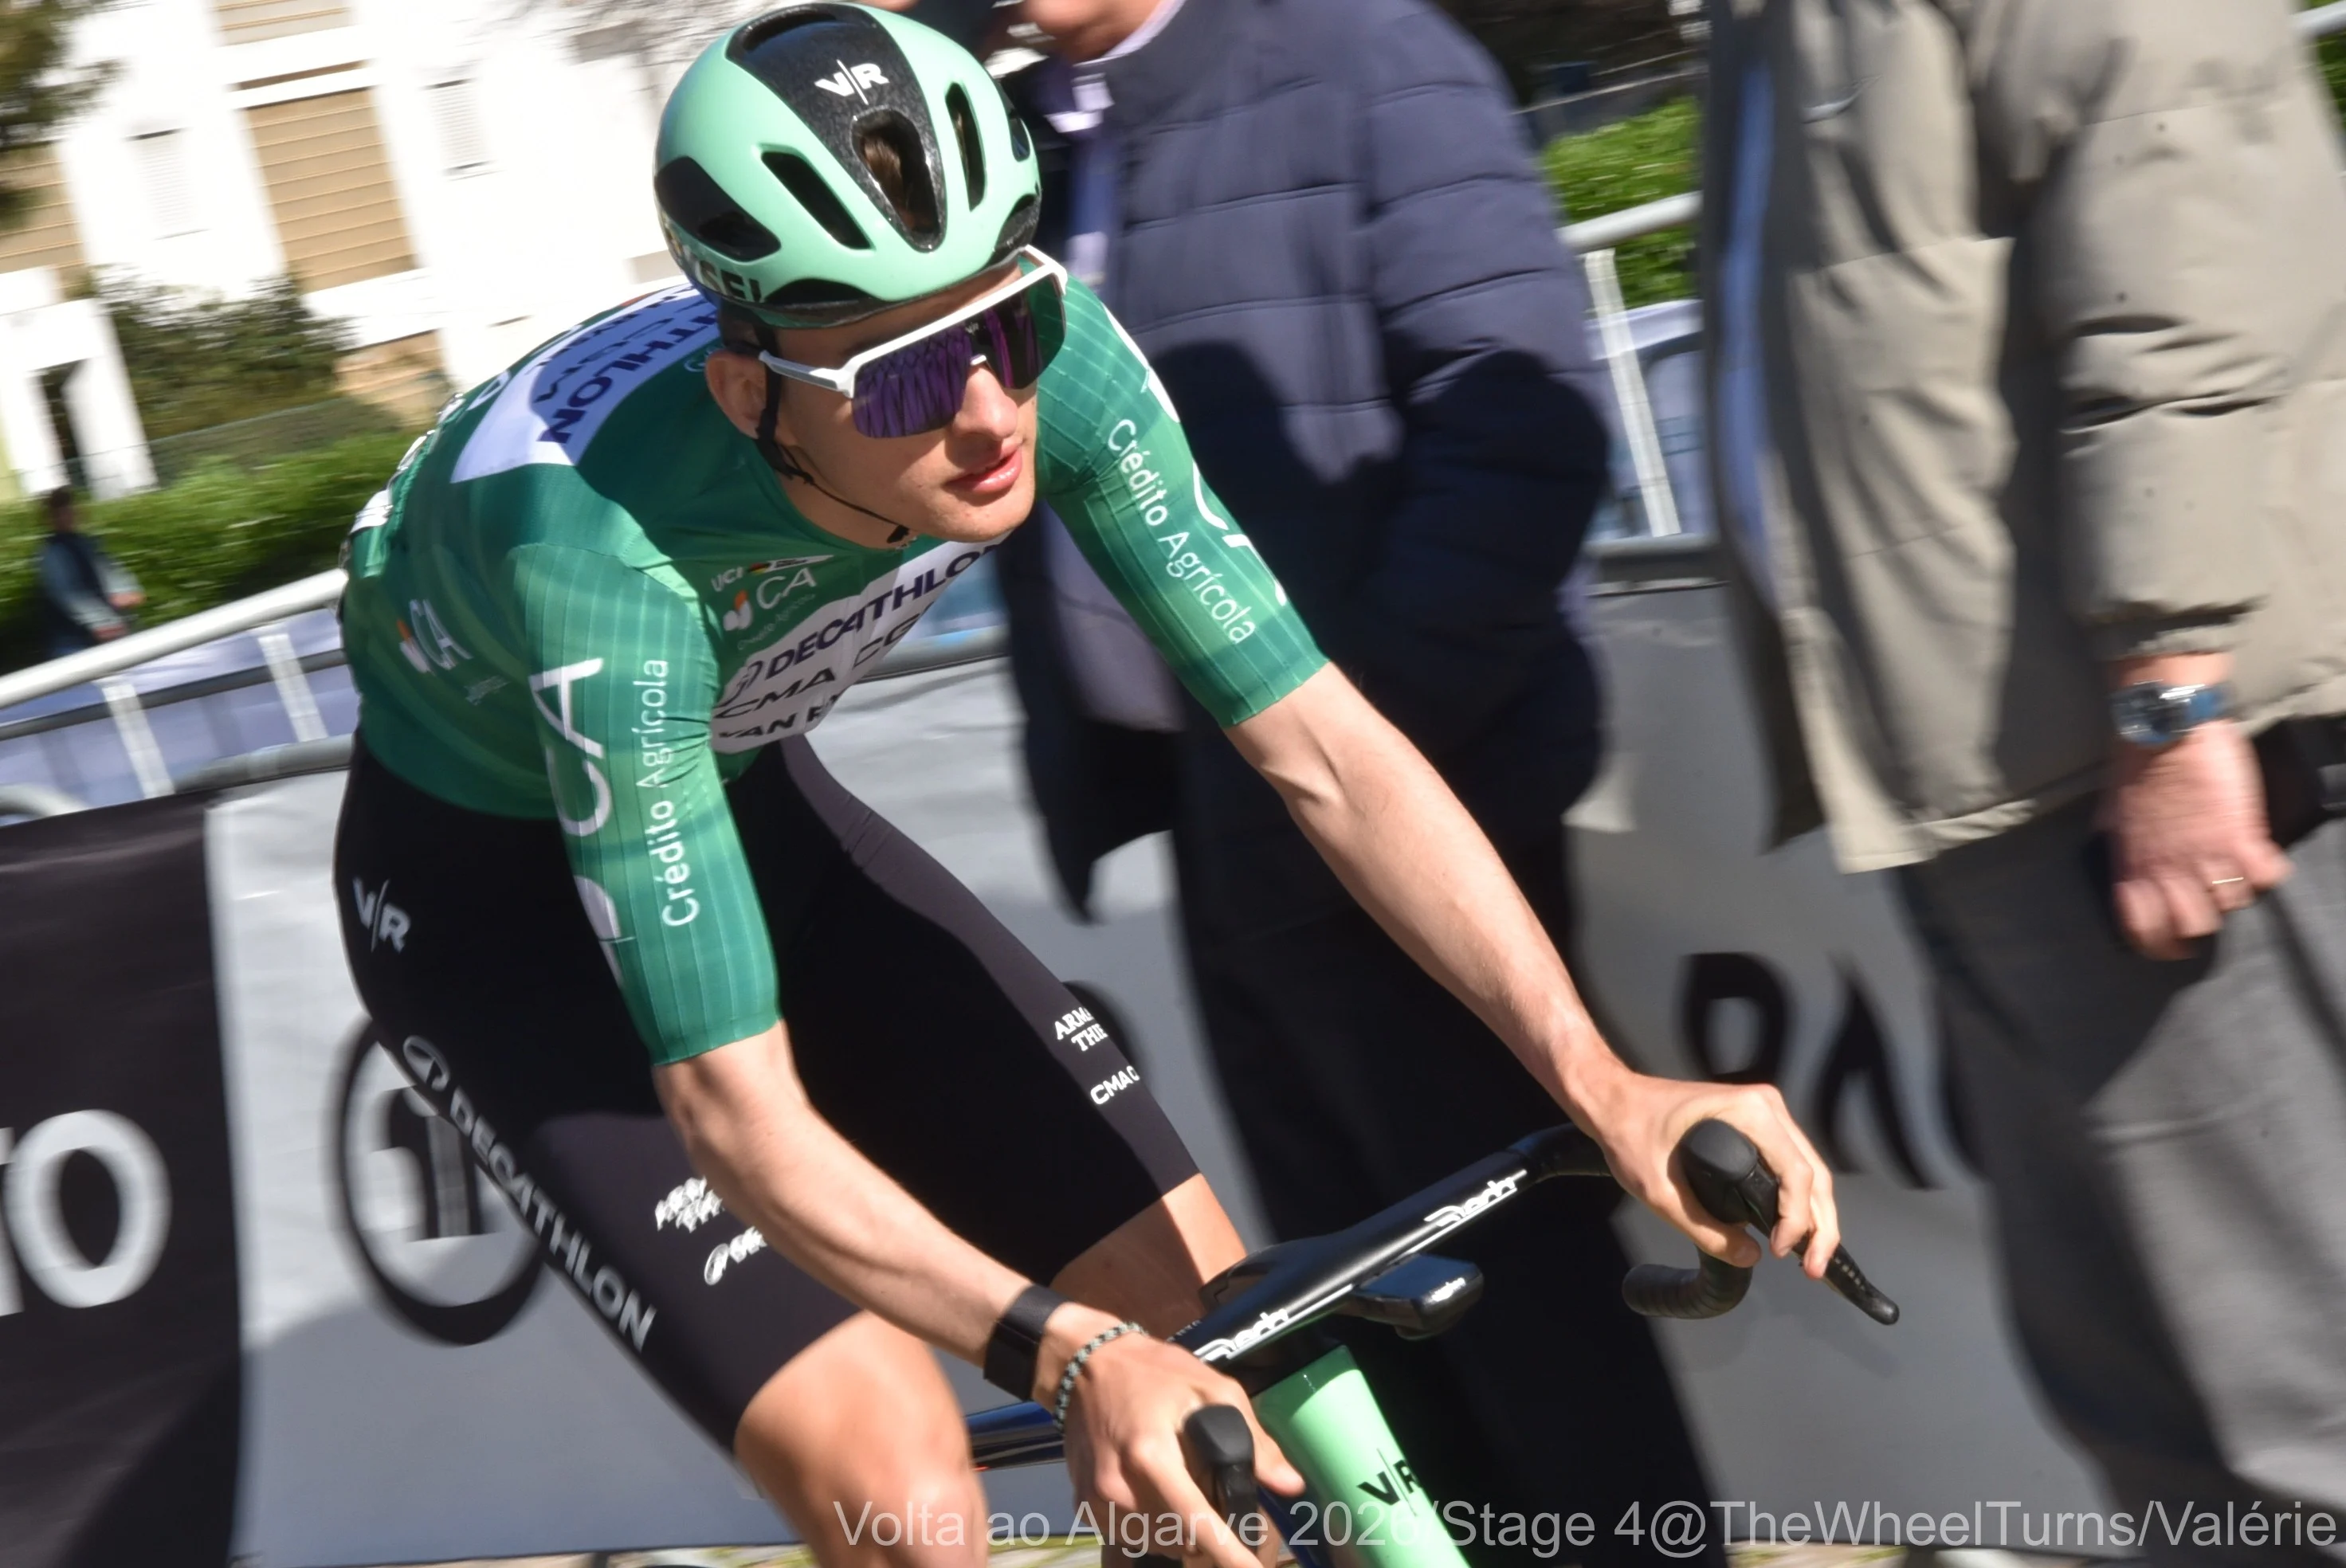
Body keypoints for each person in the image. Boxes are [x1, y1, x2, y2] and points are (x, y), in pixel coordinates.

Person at [334, 9, 1840, 1566]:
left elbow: (1326, 751)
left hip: (748, 817)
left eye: (1009, 327)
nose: (990, 412)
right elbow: (735, 1114)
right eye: (909, 382)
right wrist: (1065, 1355)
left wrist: (1602, 1080)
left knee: (1242, 1367)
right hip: (499, 931)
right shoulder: (602, 566)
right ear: (748, 395)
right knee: (908, 1492)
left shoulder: (1063, 375)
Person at [990, 1, 1719, 1559]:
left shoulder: (1368, 59)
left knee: (1531, 1350)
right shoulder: (1028, 134)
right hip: (1223, 832)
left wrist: (1352, 755)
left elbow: (1517, 438)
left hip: (1407, 833)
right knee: (1360, 1357)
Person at [1700, 2, 2346, 1558]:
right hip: (2000, 790)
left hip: (2150, 769)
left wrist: (2166, 687)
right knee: (2149, 1408)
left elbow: (2178, 230)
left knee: (2295, 1394)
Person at [37, 486, 142, 657]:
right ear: (51, 519)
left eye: (71, 510)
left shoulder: (86, 543)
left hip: (105, 635)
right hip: (75, 643)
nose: (70, 515)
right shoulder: (53, 553)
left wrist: (125, 589)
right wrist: (103, 623)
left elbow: (107, 569)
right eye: (62, 512)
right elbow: (69, 593)